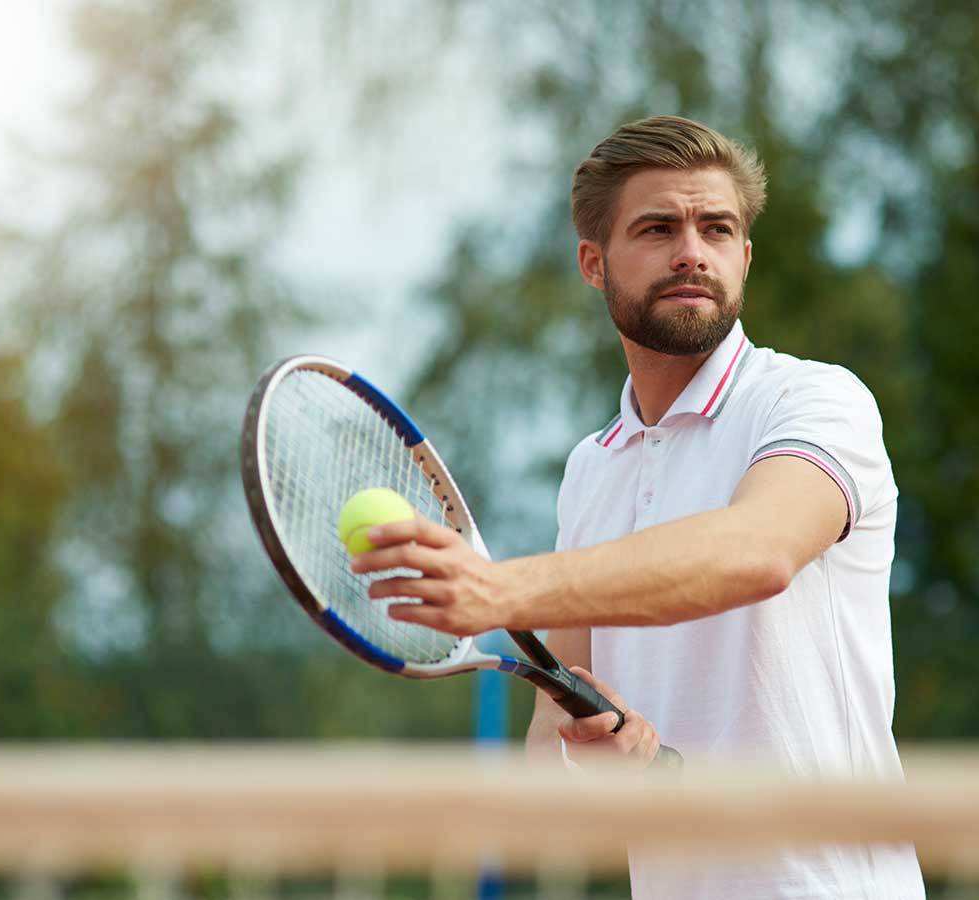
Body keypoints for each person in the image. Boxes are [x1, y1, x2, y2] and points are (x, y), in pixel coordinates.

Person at [353, 115, 925, 899]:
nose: (692, 250)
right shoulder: (592, 470)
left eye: (716, 228)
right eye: (658, 228)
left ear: (745, 257)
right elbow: (554, 749)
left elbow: (757, 551)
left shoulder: (816, 400)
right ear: (594, 263)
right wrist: (609, 761)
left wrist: (500, 590)